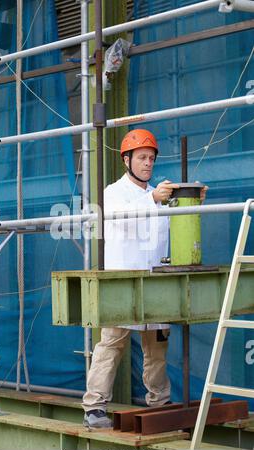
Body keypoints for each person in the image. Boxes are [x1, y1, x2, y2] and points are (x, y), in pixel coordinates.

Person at [82, 129, 207, 428]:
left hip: (154, 284)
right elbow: (122, 217)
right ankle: (94, 408)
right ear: (126, 159)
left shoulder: (159, 197)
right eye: (141, 157)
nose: (147, 163)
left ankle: (159, 405)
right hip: (123, 282)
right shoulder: (113, 193)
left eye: (151, 158)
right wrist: (153, 197)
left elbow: (177, 229)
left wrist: (193, 201)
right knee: (111, 344)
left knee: (157, 349)